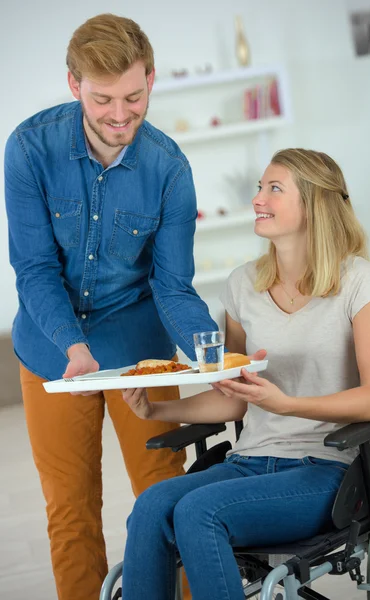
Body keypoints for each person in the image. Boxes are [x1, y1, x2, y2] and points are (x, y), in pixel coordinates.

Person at [4, 13, 222, 600]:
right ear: (74, 84)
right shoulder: (27, 148)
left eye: (134, 96)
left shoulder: (170, 169)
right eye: (103, 99)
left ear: (151, 79)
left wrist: (213, 355)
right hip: (51, 351)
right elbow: (34, 268)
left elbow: (173, 285)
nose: (121, 115)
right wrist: (73, 346)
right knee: (70, 507)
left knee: (164, 497)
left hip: (139, 351)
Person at [121, 148, 370, 600]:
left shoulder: (359, 282)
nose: (257, 199)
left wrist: (288, 404)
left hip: (323, 467)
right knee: (151, 506)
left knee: (198, 512)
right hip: (249, 461)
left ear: (314, 204)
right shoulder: (242, 285)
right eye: (259, 188)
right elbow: (234, 397)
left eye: (274, 188)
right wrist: (156, 408)